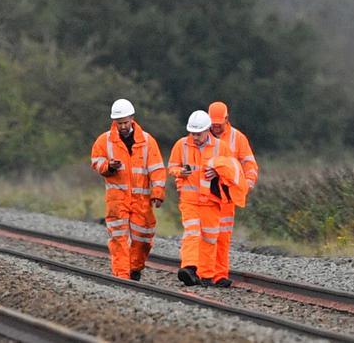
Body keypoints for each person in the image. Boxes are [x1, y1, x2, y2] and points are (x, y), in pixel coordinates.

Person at [89, 98, 166, 280]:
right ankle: (122, 277)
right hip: (117, 199)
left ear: (132, 118)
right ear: (114, 122)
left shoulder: (147, 141)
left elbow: (157, 169)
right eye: (119, 123)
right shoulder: (104, 140)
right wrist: (108, 166)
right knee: (119, 239)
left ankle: (134, 268)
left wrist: (157, 193)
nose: (122, 126)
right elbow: (96, 161)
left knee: (144, 239)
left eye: (125, 122)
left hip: (142, 201)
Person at [167, 110, 232, 286]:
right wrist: (180, 172)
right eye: (192, 133)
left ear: (208, 130)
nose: (195, 137)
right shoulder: (181, 145)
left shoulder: (221, 147)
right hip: (189, 200)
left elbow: (231, 172)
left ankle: (206, 276)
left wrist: (218, 172)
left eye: (198, 133)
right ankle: (188, 268)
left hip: (211, 202)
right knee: (192, 233)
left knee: (210, 238)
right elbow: (172, 166)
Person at [206, 101, 258, 287]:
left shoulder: (238, 138)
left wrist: (247, 185)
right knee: (204, 236)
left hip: (227, 196)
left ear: (227, 119)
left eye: (219, 123)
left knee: (223, 236)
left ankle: (219, 275)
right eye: (213, 122)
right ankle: (202, 272)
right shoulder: (200, 134)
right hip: (205, 196)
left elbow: (249, 164)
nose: (215, 126)